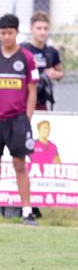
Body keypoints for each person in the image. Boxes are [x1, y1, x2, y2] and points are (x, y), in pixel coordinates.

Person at [0, 14, 39, 226]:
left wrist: (27, 118)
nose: (6, 36)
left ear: (16, 32)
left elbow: (32, 91)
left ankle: (26, 212)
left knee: (19, 164)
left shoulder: (26, 57)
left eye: (10, 32)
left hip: (17, 120)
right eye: (3, 33)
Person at [21, 11, 63, 111]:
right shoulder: (22, 50)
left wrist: (54, 74)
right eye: (39, 28)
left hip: (41, 102)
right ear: (31, 29)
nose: (43, 32)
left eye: (45, 28)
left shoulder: (52, 51)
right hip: (22, 102)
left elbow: (61, 73)